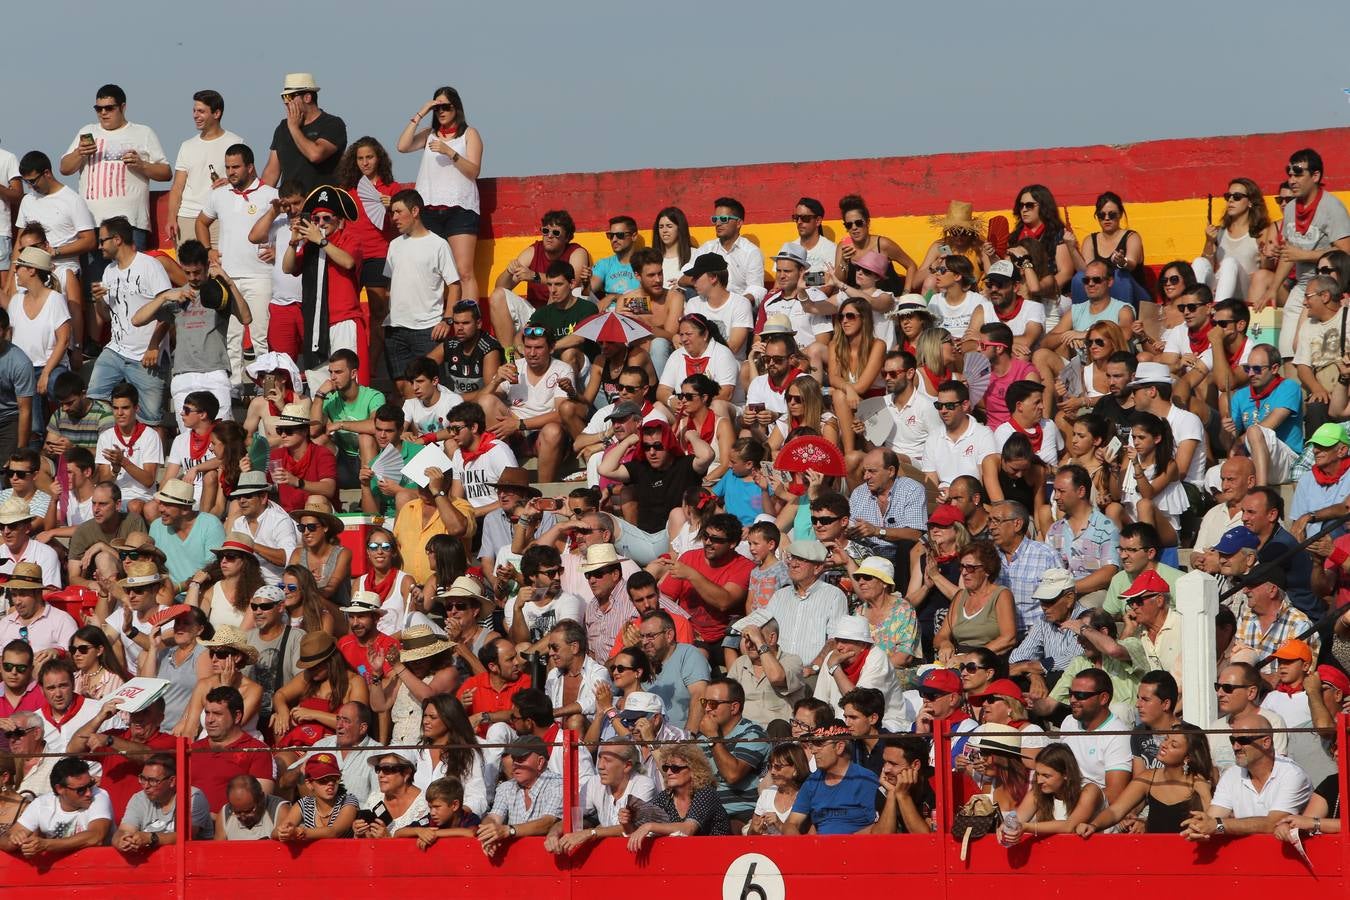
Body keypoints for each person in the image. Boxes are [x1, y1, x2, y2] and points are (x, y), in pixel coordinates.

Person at [1255, 149, 1350, 362]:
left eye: (1298, 173)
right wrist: (1272, 289)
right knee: (1288, 348)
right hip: (1302, 286)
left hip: (1331, 288)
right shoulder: (1290, 209)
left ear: (1315, 176)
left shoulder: (1332, 208)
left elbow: (1345, 251)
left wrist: (1305, 255)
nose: (1292, 179)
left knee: (1321, 352)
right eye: (1289, 173)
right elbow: (1289, 255)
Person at [193, 144, 274, 384]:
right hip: (228, 277)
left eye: (236, 167)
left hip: (261, 276)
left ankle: (265, 385)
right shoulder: (219, 194)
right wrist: (208, 251)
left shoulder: (270, 194)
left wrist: (277, 250)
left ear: (250, 167)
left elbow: (287, 228)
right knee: (231, 336)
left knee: (261, 335)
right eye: (227, 167)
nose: (231, 172)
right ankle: (234, 386)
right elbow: (201, 222)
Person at [60, 83, 170, 255]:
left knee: (132, 278)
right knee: (95, 281)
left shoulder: (143, 132)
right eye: (99, 109)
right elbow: (64, 168)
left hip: (130, 224)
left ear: (123, 107)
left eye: (109, 108)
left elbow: (166, 173)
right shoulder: (88, 131)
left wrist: (142, 165)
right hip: (92, 223)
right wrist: (79, 153)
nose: (103, 113)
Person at [398, 86, 483, 305]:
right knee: (434, 272)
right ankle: (439, 325)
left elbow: (473, 171)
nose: (441, 112)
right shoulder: (429, 134)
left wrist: (449, 152)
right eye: (437, 108)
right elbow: (402, 146)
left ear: (456, 108)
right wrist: (422, 112)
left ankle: (469, 325)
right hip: (429, 208)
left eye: (446, 107)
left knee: (464, 272)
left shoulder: (469, 133)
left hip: (460, 208)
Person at [87, 217, 170, 436]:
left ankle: (156, 468)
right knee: (94, 398)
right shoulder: (109, 271)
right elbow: (105, 315)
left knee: (152, 420)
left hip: (147, 355)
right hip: (116, 350)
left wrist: (154, 346)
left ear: (117, 239)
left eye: (103, 240)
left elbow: (167, 310)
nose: (99, 246)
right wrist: (97, 300)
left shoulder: (149, 266)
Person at [14, 152, 96, 358]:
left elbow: (89, 240)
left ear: (47, 173)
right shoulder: (28, 201)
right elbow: (19, 240)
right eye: (26, 182)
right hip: (29, 267)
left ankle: (74, 349)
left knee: (68, 307)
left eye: (33, 181)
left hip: (63, 266)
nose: (31, 186)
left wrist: (55, 253)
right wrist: (12, 275)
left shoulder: (72, 200)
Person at [1181, 713, 1313, 840]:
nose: (1235, 746)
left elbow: (1272, 824)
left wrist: (1218, 826)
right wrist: (1199, 830)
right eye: (1232, 740)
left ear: (1266, 742)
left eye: (1243, 740)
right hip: (1245, 856)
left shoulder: (1292, 775)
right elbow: (1213, 818)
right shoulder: (1231, 775)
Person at [383, 189, 461, 390]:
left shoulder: (438, 245)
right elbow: (389, 287)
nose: (395, 218)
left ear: (415, 211)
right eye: (393, 213)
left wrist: (447, 319)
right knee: (403, 389)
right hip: (395, 329)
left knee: (432, 388)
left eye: (399, 212)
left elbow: (454, 285)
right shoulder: (393, 245)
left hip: (428, 330)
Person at [651, 512, 754, 651]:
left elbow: (724, 602)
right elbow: (665, 599)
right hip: (688, 634)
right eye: (705, 536)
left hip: (725, 638)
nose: (708, 542)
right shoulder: (689, 558)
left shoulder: (744, 566)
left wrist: (692, 575)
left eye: (716, 539)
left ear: (732, 543)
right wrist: (682, 628)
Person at [488, 210, 589, 342]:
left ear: (567, 237)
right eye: (545, 231)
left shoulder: (576, 252)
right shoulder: (534, 251)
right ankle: (510, 356)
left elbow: (573, 282)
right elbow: (501, 287)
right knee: (497, 295)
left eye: (556, 232)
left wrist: (535, 276)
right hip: (534, 315)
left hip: (562, 314)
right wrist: (509, 271)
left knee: (560, 292)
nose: (549, 236)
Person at [754, 538, 848, 667]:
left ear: (817, 567)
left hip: (812, 672)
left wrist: (814, 667)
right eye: (792, 558)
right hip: (778, 668)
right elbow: (765, 631)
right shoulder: (779, 596)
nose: (793, 564)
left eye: (802, 560)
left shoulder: (834, 596)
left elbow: (835, 639)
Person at [619, 744, 731, 849]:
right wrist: (627, 824)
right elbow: (641, 833)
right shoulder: (665, 797)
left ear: (694, 770)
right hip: (687, 854)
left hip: (719, 851)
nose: (669, 772)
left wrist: (649, 826)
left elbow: (688, 829)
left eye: (675, 768)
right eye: (666, 768)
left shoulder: (706, 793)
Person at [0, 757, 112, 859]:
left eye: (90, 785)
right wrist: (14, 840)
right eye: (81, 789)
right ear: (60, 789)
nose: (88, 793)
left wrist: (46, 844)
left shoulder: (99, 796)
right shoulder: (41, 804)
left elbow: (96, 836)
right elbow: (5, 838)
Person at [1225, 343, 1303, 487]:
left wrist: (1239, 441)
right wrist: (1227, 432)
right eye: (1247, 368)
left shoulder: (1289, 387)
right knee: (1212, 475)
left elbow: (1270, 423)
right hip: (1253, 457)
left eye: (1257, 369)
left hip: (1286, 460)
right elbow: (1229, 443)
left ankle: (1261, 490)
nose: (1250, 374)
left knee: (1254, 430)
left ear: (1274, 368)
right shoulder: (1240, 395)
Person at [782, 721, 880, 835]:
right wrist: (803, 848)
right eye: (812, 744)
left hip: (857, 848)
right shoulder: (812, 782)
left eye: (819, 744)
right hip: (818, 849)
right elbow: (791, 823)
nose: (813, 751)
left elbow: (878, 826)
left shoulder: (865, 779)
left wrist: (842, 845)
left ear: (839, 747)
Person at [814, 616, 909, 732]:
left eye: (845, 641)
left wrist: (835, 668)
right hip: (842, 727)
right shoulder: (832, 657)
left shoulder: (878, 658)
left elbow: (860, 703)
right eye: (837, 640)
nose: (839, 646)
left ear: (863, 645)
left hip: (883, 727)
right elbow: (819, 702)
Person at [187, 685, 274, 811]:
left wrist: (217, 820)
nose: (209, 720)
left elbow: (259, 804)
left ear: (237, 716)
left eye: (217, 714)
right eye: (207, 713)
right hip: (187, 825)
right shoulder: (192, 749)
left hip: (232, 827)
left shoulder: (257, 751)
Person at [694, 678, 768, 825]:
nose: (707, 708)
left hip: (742, 814)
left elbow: (732, 775)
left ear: (734, 707)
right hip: (706, 813)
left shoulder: (753, 734)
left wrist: (713, 738)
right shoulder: (702, 738)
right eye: (704, 702)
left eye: (713, 703)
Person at [311, 349, 385, 491]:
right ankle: (325, 496)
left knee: (366, 438)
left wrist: (340, 424)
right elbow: (313, 430)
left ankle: (370, 495)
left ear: (353, 374)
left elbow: (375, 426)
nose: (333, 377)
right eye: (330, 372)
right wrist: (319, 395)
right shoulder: (330, 399)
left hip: (370, 460)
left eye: (338, 372)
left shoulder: (374, 396)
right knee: (318, 440)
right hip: (343, 460)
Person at [476, 735, 563, 855]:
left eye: (521, 759)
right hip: (516, 858)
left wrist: (509, 830)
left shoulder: (557, 784)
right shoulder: (506, 787)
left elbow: (547, 822)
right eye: (514, 758)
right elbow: (493, 817)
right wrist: (489, 834)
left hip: (547, 857)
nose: (515, 764)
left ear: (540, 762)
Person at [998, 743, 1103, 841]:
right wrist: (1006, 826)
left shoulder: (1089, 791)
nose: (1039, 781)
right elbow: (1018, 818)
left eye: (1046, 776)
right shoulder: (1038, 790)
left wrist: (1026, 827)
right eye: (1038, 774)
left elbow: (1069, 826)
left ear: (1066, 774)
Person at [1058, 669, 1132, 804]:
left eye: (1080, 695)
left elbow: (1115, 794)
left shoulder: (1118, 735)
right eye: (1071, 694)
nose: (1072, 700)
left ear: (1103, 698)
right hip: (1063, 798)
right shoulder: (1069, 722)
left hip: (1095, 808)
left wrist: (1075, 801)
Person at [933, 542, 1017, 662]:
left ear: (987, 570)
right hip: (958, 659)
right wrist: (945, 643)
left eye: (970, 568)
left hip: (988, 660)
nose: (964, 572)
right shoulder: (960, 596)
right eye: (962, 566)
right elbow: (940, 636)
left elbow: (1008, 638)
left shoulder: (1001, 595)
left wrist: (970, 657)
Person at [261, 73, 346, 191]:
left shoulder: (332, 124)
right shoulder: (282, 128)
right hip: (291, 205)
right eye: (284, 98)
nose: (286, 102)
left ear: (307, 97)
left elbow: (315, 155)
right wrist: (259, 199)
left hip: (321, 204)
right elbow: (271, 172)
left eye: (289, 97)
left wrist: (294, 128)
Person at [1008, 569, 1089, 689]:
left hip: (1078, 683)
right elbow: (1018, 656)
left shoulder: (1087, 620)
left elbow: (1072, 660)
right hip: (1049, 677)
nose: (1044, 607)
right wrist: (1034, 675)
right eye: (1042, 601)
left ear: (1069, 598)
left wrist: (1027, 667)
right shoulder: (1043, 620)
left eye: (1049, 601)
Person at [113, 752, 213, 849]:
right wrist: (121, 840)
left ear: (172, 781)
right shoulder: (139, 798)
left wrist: (151, 838)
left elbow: (187, 836)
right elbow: (124, 830)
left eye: (153, 781)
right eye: (143, 778)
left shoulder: (192, 796)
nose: (146, 786)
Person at [681, 197, 766, 308]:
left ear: (739, 223)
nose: (718, 223)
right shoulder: (707, 248)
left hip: (737, 307)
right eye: (715, 219)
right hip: (706, 305)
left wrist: (734, 304)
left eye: (723, 219)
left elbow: (756, 289)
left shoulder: (751, 252)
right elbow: (683, 278)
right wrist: (705, 283)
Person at [922, 380, 999, 491]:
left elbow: (983, 481)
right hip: (942, 501)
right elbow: (930, 483)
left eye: (949, 406)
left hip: (971, 499)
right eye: (939, 405)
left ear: (965, 405)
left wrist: (953, 493)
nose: (943, 411)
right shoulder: (932, 438)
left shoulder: (983, 435)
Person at [640, 609, 710, 732]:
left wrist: (688, 739)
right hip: (647, 739)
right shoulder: (642, 662)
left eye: (651, 636)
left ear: (669, 635)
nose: (645, 642)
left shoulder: (688, 654)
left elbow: (700, 695)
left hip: (681, 739)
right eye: (642, 636)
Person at [727, 618, 805, 727]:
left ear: (772, 638)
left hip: (777, 735)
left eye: (753, 638)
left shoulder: (792, 661)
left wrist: (759, 642)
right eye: (746, 639)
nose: (749, 645)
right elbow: (727, 699)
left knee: (778, 726)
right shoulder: (740, 663)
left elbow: (776, 677)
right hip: (744, 733)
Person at [272, 751, 358, 841]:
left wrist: (299, 832)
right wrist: (283, 832)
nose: (330, 784)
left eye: (334, 778)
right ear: (309, 784)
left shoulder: (348, 800)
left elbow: (333, 832)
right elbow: (275, 832)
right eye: (323, 780)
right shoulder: (304, 803)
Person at [354, 749, 430, 838]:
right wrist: (360, 832)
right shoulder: (375, 797)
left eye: (387, 769)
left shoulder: (425, 804)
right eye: (378, 769)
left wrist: (388, 841)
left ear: (406, 773)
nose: (380, 774)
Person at [0, 562, 75, 650]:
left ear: (38, 593)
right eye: (14, 595)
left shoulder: (62, 621)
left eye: (23, 595)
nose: (17, 602)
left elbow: (74, 657)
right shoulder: (5, 624)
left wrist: (58, 653)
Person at [215, 775, 290, 841]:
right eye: (237, 812)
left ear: (261, 798)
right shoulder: (225, 814)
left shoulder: (279, 810)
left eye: (248, 811)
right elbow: (218, 852)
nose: (243, 817)